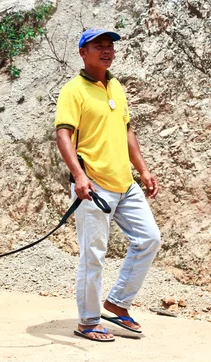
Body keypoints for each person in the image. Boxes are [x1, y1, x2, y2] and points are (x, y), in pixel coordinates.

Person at [55, 28, 161, 342]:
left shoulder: (116, 86)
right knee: (94, 254)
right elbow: (63, 136)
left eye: (109, 46)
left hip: (125, 183)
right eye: (98, 46)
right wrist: (79, 177)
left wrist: (143, 170)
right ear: (82, 53)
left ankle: (116, 303)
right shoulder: (73, 91)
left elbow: (127, 131)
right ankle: (88, 321)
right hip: (94, 186)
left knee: (149, 239)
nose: (106, 50)